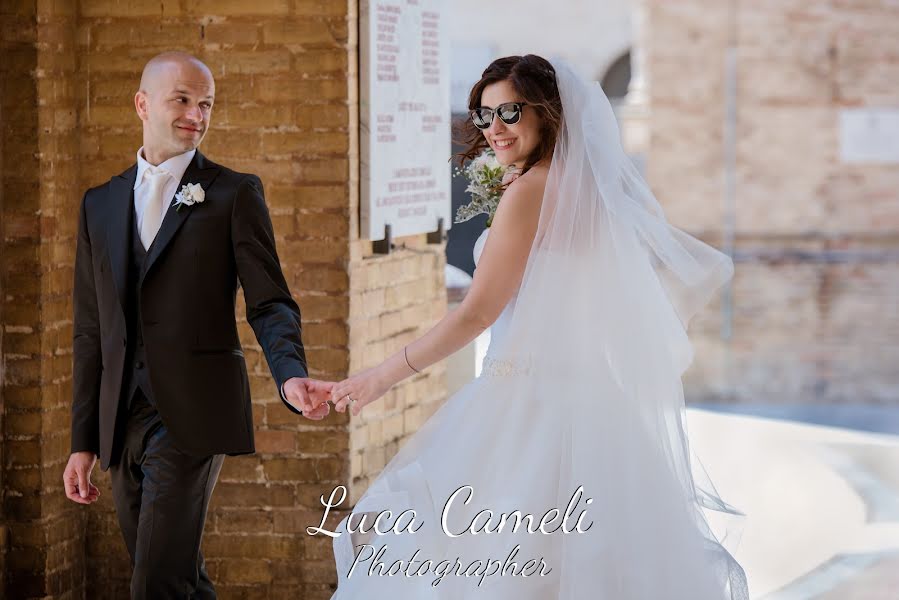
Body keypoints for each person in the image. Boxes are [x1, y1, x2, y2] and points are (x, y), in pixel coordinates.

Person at [321, 55, 750, 598]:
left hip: (524, 406)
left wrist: (379, 377)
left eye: (509, 112)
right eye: (483, 116)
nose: (494, 128)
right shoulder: (586, 193)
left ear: (546, 113)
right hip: (597, 410)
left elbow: (477, 312)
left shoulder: (529, 192)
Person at [62, 51, 332, 599]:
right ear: (142, 104)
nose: (196, 114)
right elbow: (91, 331)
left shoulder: (234, 194)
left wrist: (289, 374)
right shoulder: (100, 204)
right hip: (120, 416)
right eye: (181, 100)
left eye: (205, 103)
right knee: (170, 569)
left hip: (193, 412)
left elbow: (270, 302)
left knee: (156, 579)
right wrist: (82, 440)